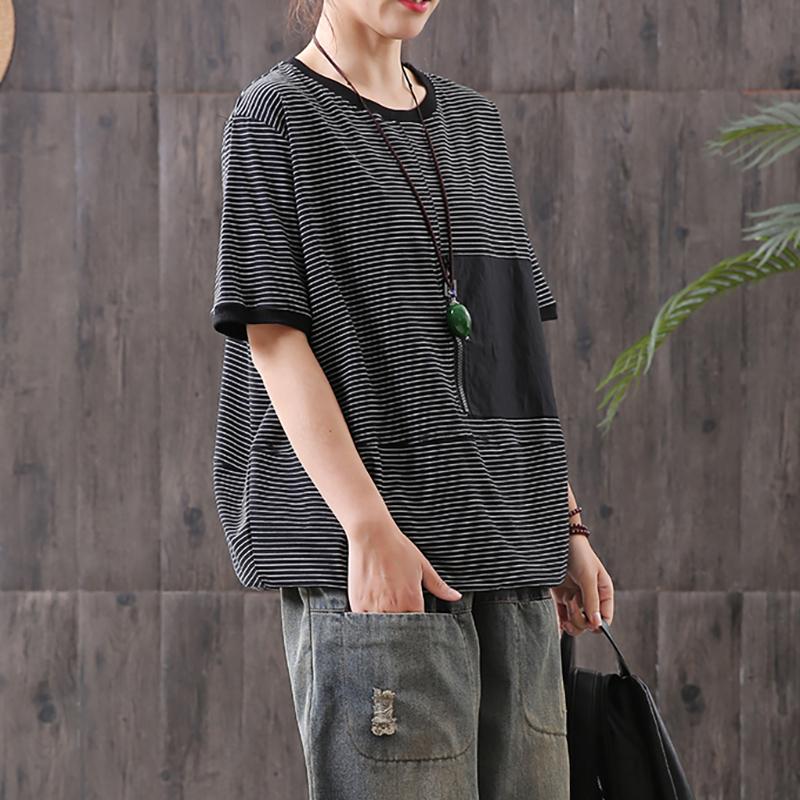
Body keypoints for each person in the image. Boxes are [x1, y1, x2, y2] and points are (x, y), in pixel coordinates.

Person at [209, 1, 614, 797]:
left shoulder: (473, 125)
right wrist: (367, 529)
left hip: (512, 569)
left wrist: (562, 524)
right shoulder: (275, 117)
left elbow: (505, 352)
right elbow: (274, 339)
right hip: (387, 574)